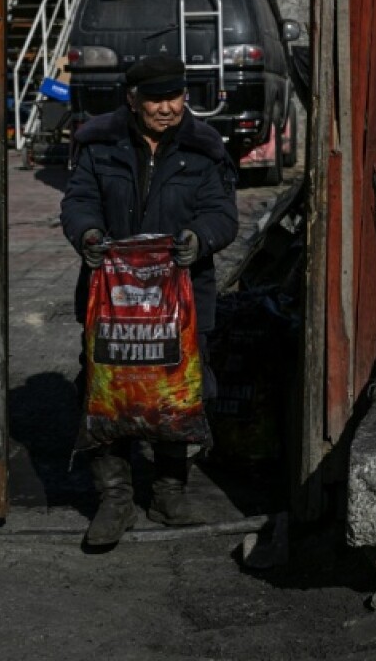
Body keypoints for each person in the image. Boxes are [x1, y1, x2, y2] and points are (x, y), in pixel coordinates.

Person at [60, 55, 238, 548]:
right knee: (106, 392)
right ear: (132, 100)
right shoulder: (99, 144)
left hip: (180, 301)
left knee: (175, 393)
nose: (168, 108)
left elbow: (223, 214)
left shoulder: (204, 149)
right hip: (112, 300)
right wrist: (88, 234)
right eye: (157, 100)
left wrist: (198, 239)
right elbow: (78, 202)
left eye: (175, 97)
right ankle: (115, 501)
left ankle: (168, 495)